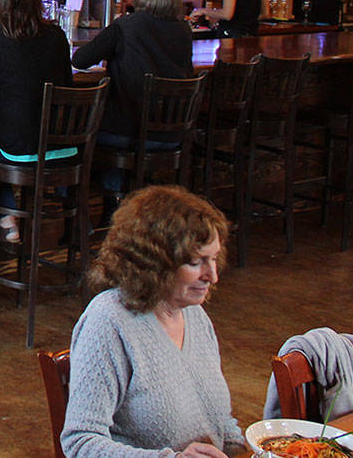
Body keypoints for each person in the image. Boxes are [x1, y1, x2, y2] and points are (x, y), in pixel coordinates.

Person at [62, 185, 244, 458]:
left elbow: (220, 422)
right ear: (154, 263)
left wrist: (243, 450)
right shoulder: (108, 322)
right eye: (196, 262)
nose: (213, 276)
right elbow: (80, 442)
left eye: (214, 259)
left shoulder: (195, 315)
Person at [0, 0, 73, 247]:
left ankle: (6, 217)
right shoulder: (57, 37)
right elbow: (66, 87)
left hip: (18, 149)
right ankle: (5, 223)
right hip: (62, 147)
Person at [72, 0, 194, 200]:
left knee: (79, 136)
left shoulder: (127, 26)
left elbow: (80, 59)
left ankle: (102, 208)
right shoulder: (184, 30)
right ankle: (123, 200)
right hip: (172, 135)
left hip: (128, 133)